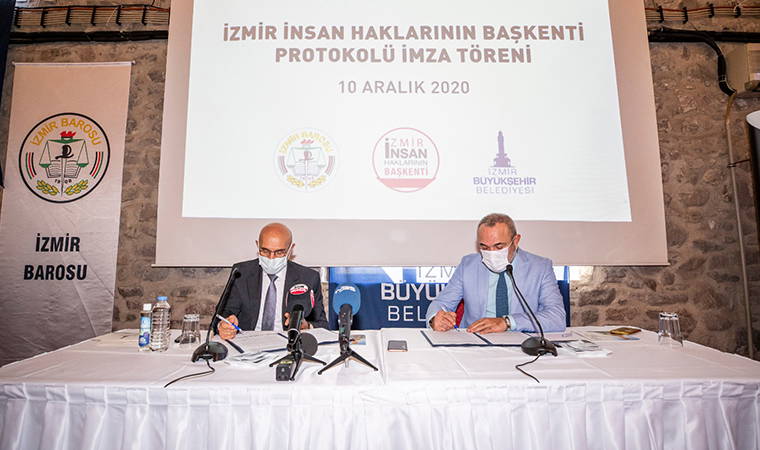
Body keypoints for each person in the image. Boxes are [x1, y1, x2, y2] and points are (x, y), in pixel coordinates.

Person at [426, 213, 566, 334]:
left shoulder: (540, 267)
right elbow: (442, 303)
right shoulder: (468, 265)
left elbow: (557, 317)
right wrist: (435, 319)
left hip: (522, 342)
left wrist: (507, 322)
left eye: (499, 246)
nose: (492, 253)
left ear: (515, 241)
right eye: (484, 247)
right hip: (474, 342)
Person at [217, 223, 327, 339]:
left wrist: (307, 326)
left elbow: (322, 325)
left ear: (291, 249)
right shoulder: (241, 273)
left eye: (279, 252)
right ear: (257, 245)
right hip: (247, 341)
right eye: (265, 251)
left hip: (288, 342)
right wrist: (224, 325)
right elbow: (222, 314)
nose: (271, 257)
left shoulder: (308, 277)